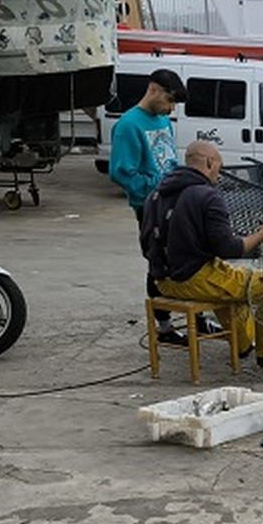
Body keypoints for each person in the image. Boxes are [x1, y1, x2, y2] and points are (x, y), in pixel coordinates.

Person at [140, 140, 263, 366]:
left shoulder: (155, 195)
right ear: (209, 162)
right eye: (219, 164)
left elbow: (146, 246)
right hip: (195, 281)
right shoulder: (208, 196)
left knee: (232, 278)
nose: (220, 171)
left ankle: (243, 345)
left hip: (163, 283)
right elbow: (229, 249)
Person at [110, 68, 189, 341]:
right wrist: (153, 191)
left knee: (188, 256)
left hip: (175, 201)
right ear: (153, 90)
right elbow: (121, 172)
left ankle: (197, 317)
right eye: (169, 101)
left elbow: (169, 160)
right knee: (158, 261)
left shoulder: (164, 122)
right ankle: (164, 327)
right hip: (150, 207)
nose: (170, 108)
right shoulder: (128, 125)